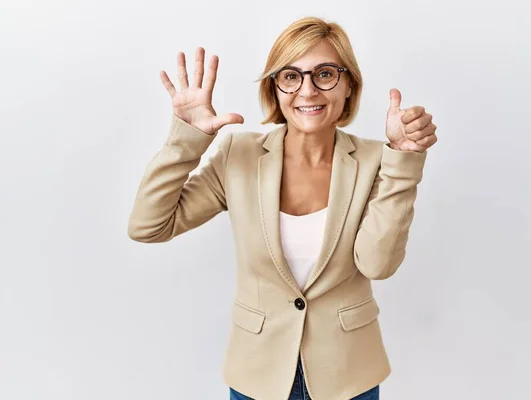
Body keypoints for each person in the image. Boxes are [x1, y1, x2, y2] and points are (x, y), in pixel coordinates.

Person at [128, 16, 437, 400]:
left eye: (325, 74)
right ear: (275, 89)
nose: (307, 90)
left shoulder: (378, 160)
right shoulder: (237, 156)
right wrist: (186, 140)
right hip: (257, 374)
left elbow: (377, 264)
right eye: (290, 76)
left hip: (348, 376)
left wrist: (404, 162)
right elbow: (148, 225)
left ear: (348, 86)